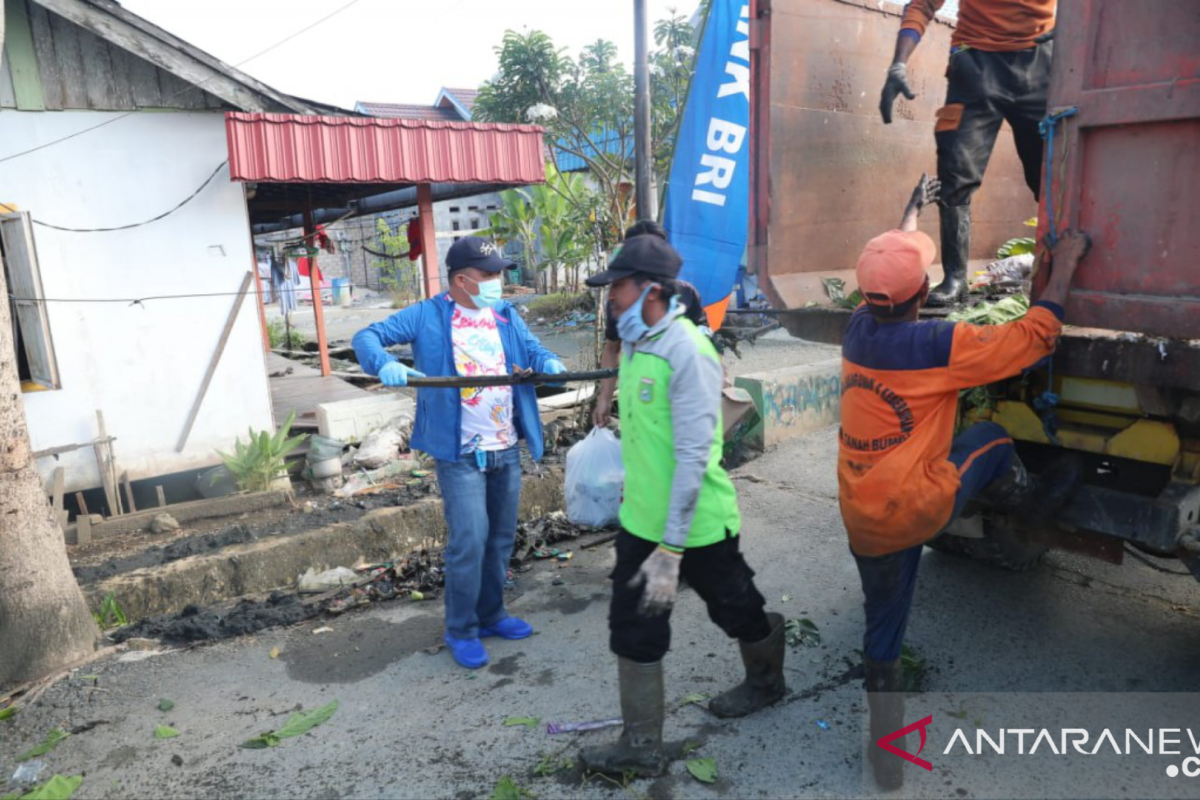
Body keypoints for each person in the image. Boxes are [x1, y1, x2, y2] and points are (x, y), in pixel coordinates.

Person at [839, 175, 1087, 789]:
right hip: (919, 507)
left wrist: (908, 214)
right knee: (994, 437)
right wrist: (1068, 267)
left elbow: (893, 269)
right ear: (924, 291)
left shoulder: (855, 330)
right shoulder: (939, 343)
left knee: (884, 628)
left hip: (861, 512)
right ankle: (1025, 506)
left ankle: (886, 755)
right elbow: (1034, 337)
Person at [577, 235, 785, 777]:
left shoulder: (689, 353)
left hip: (697, 525)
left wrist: (672, 549)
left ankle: (766, 682)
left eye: (617, 288)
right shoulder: (639, 344)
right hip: (643, 523)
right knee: (634, 627)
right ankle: (641, 749)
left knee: (735, 608)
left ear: (650, 289)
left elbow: (696, 456)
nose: (610, 299)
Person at [352, 236, 567, 670]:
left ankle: (492, 615)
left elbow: (535, 350)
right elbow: (367, 336)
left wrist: (549, 363)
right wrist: (384, 363)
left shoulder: (505, 316)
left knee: (502, 537)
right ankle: (461, 628)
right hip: (461, 453)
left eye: (498, 274)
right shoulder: (429, 315)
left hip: (504, 446)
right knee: (470, 540)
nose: (497, 282)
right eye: (488, 276)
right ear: (461, 280)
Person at [879, 0, 1056, 306]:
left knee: (1049, 175)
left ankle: (1057, 272)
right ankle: (955, 278)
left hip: (1039, 61)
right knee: (955, 165)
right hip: (974, 66)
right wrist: (898, 64)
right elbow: (922, 4)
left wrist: (1069, 34)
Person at [593, 220, 709, 428]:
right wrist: (605, 398)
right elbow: (612, 349)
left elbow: (706, 340)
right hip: (639, 407)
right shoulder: (618, 302)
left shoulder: (687, 295)